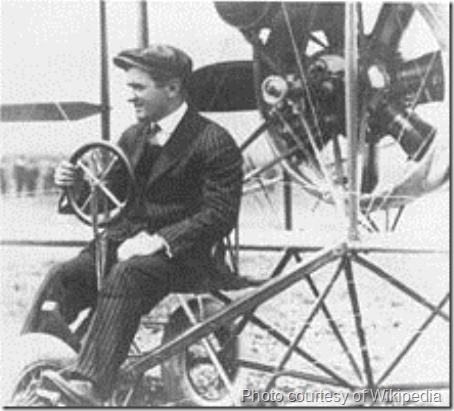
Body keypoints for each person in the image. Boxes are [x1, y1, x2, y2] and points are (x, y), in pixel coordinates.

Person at [22, 44, 243, 405]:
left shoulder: (213, 141)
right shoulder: (133, 136)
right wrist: (75, 185)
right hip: (127, 246)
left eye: (139, 87)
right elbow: (109, 197)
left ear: (172, 88)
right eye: (130, 88)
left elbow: (220, 214)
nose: (131, 97)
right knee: (63, 276)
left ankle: (89, 384)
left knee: (125, 276)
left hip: (184, 256)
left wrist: (160, 240)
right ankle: (32, 362)